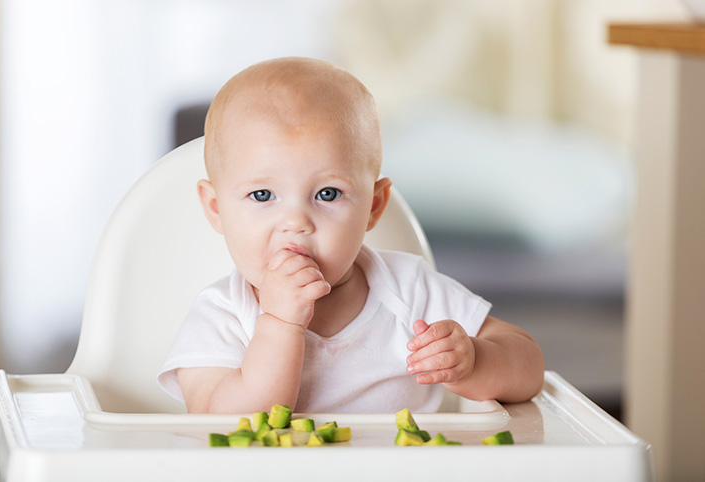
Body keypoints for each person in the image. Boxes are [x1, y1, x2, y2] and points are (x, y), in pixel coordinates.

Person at [157, 57, 544, 414]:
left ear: (374, 206)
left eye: (328, 194)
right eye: (262, 195)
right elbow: (221, 423)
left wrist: (474, 361)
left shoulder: (410, 291)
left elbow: (528, 366)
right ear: (216, 208)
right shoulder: (221, 316)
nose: (296, 222)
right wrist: (278, 324)